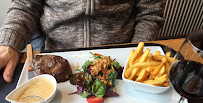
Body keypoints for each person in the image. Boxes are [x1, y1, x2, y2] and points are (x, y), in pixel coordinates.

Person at [0, 0, 165, 83]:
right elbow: (25, 6)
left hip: (123, 58)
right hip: (54, 57)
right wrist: (9, 43)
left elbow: (150, 12)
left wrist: (136, 57)